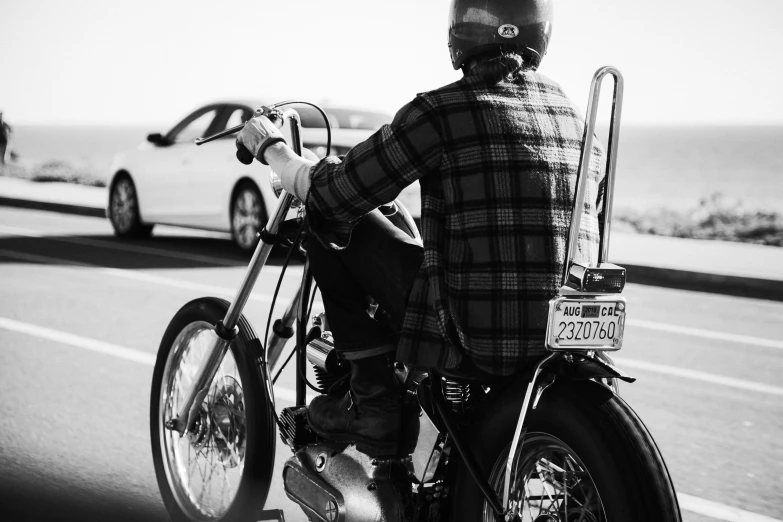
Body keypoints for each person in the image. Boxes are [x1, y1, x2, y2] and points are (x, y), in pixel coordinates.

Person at [237, 0, 605, 458]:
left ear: (460, 32)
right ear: (541, 33)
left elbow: (339, 192)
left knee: (324, 218)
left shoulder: (441, 110)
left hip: (472, 332)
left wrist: (272, 148)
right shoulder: (575, 118)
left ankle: (374, 406)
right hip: (561, 333)